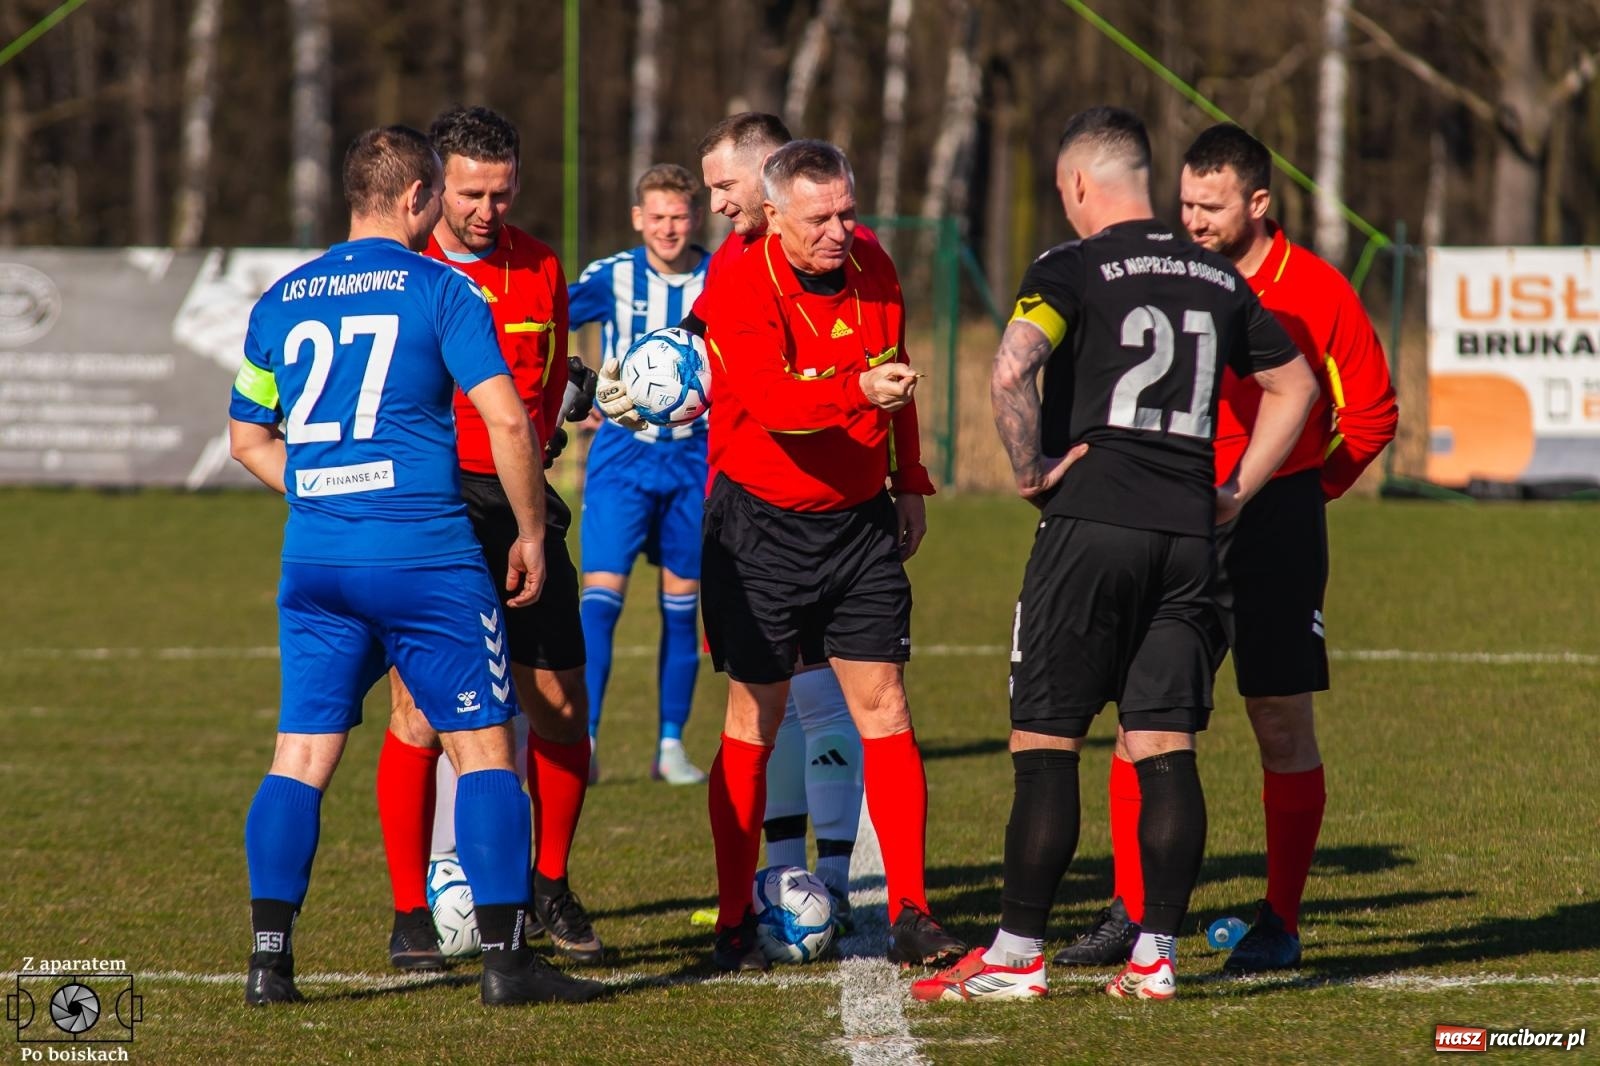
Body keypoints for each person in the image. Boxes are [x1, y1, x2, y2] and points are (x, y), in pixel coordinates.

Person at [911, 107, 1317, 1004]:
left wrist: (1031, 471)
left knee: (1047, 742)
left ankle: (1016, 956)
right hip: (1190, 536)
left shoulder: (1072, 264)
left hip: (1092, 524)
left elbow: (1011, 366)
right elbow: (1297, 384)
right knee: (1165, 744)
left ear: (1079, 185)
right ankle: (1156, 959)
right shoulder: (1216, 273)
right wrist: (1236, 491)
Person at [228, 124, 604, 1007]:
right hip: (425, 556)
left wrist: (324, 489)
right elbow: (510, 422)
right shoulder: (442, 289)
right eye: (439, 193)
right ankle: (510, 963)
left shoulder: (280, 299)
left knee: (299, 757)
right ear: (412, 199)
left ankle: (269, 964)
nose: (445, 208)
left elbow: (247, 439)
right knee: (483, 750)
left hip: (316, 559)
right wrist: (530, 532)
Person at [1053, 122, 1398, 974]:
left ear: (1258, 202)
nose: (1194, 220)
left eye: (1211, 207)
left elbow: (1374, 412)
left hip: (1273, 521)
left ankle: (1279, 920)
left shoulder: (1314, 287)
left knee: (1279, 721)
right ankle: (1132, 912)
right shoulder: (1167, 272)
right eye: (1184, 203)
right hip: (1166, 516)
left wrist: (1304, 490)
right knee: (1144, 721)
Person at [647, 137, 961, 973]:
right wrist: (856, 389)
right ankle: (730, 920)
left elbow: (896, 377)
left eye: (847, 212)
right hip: (760, 531)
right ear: (776, 215)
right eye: (820, 217)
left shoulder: (874, 265)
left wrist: (911, 479)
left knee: (886, 706)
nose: (839, 230)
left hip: (858, 526)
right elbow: (777, 401)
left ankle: (911, 911)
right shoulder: (742, 280)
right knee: (755, 717)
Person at [372, 106, 605, 971]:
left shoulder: (542, 265)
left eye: (502, 194)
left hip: (522, 504)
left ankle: (551, 886)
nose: (486, 211)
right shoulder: (402, 268)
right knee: (419, 711)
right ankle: (409, 915)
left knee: (561, 705)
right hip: (427, 506)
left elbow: (543, 390)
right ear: (433, 186)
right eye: (471, 193)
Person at [637, 113, 867, 929]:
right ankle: (777, 878)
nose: (715, 202)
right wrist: (649, 383)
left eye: (724, 185)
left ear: (768, 176)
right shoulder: (734, 261)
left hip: (816, 516)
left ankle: (829, 876)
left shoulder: (834, 256)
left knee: (818, 698)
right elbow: (697, 350)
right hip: (742, 507)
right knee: (775, 703)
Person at [568, 163, 712, 786]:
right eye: (657, 217)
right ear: (638, 219)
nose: (669, 228)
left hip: (694, 458)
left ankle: (670, 746)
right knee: (600, 602)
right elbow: (549, 321)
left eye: (679, 216)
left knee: (682, 608)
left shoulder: (719, 276)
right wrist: (580, 392)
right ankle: (588, 742)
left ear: (695, 216)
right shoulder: (613, 276)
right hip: (622, 456)